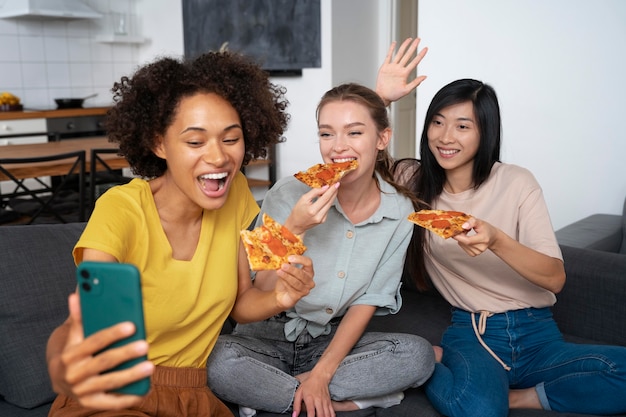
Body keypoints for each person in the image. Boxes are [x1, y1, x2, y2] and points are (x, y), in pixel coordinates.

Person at [45, 51, 316, 417]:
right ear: (159, 144)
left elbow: (241, 302)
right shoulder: (122, 209)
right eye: (195, 142)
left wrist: (282, 297)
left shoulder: (234, 193)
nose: (218, 157)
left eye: (230, 139)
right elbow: (82, 323)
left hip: (193, 398)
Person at [206, 39, 436, 417]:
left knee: (416, 355)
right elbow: (256, 292)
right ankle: (343, 403)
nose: (337, 147)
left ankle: (282, 396)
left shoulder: (399, 212)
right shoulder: (288, 193)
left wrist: (323, 372)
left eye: (354, 133)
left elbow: (367, 302)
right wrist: (294, 228)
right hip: (266, 337)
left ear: (382, 139)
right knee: (219, 360)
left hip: (330, 340)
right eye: (326, 133)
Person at [394, 78, 626, 417]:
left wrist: (497, 239)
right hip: (473, 333)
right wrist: (383, 96)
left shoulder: (517, 181)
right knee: (481, 411)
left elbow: (554, 278)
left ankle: (521, 397)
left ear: (485, 131)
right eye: (437, 122)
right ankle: (426, 362)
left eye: (462, 126)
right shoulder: (411, 180)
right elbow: (357, 159)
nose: (445, 137)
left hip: (538, 334)